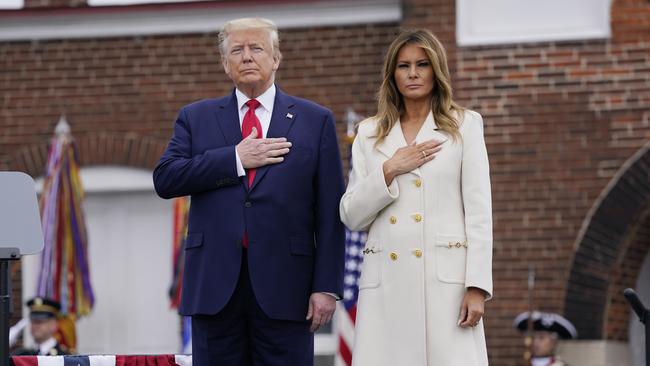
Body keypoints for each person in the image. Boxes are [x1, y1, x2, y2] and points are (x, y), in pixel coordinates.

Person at [153, 17, 345, 366]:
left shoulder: (314, 120)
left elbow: (330, 210)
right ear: (226, 64)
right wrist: (234, 159)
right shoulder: (195, 117)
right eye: (236, 51)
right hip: (215, 287)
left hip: (289, 289)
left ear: (276, 58)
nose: (246, 57)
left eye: (256, 48)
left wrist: (326, 286)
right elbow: (166, 179)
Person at [339, 28, 493, 365]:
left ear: (435, 70)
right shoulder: (369, 133)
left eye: (422, 65)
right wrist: (390, 168)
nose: (412, 74)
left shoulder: (464, 125)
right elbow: (351, 214)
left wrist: (477, 286)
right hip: (387, 286)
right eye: (403, 65)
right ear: (392, 74)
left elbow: (479, 213)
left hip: (446, 285)